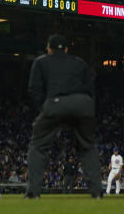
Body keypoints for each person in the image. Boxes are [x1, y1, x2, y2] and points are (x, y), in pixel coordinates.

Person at [25, 34, 101, 199]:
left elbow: (34, 90)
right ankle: (97, 193)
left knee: (38, 146)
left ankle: (33, 192)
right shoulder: (80, 63)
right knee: (87, 146)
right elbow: (91, 89)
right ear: (66, 49)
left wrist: (44, 109)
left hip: (55, 102)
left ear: (49, 49)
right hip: (83, 103)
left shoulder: (41, 61)